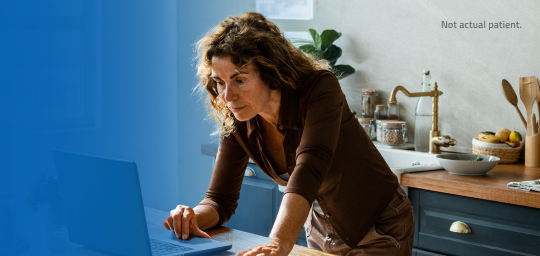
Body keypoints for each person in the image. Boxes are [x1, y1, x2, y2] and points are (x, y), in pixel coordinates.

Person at [164, 12, 414, 256]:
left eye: (239, 80)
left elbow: (309, 170)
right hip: (320, 231)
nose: (227, 96)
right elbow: (219, 199)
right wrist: (191, 217)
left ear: (269, 71)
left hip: (378, 228)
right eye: (219, 82)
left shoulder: (319, 89)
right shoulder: (239, 115)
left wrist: (276, 245)